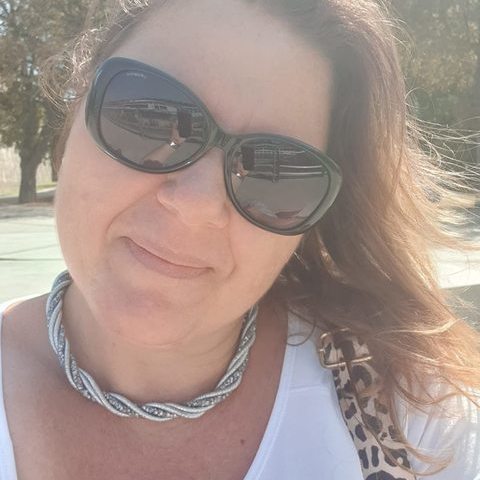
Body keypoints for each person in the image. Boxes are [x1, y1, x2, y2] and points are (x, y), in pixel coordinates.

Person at [1, 0, 479, 478]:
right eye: (151, 117)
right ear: (77, 106)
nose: (197, 205)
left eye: (277, 173)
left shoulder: (416, 421)